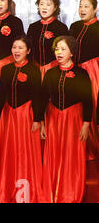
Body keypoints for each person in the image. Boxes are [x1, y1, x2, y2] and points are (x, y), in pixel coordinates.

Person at [40, 36, 92, 203]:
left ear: (72, 52)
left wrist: (86, 124)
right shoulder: (50, 73)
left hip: (74, 119)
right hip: (53, 119)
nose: (59, 52)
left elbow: (88, 101)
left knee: (72, 155)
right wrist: (41, 123)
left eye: (63, 49)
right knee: (53, 155)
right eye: (56, 49)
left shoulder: (81, 74)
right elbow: (42, 99)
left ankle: (70, 192)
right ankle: (52, 191)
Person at [0, 35, 45, 203]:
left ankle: (24, 193)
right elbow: (1, 95)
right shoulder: (6, 69)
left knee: (25, 152)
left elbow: (38, 96)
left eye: (21, 48)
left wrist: (37, 119)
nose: (16, 51)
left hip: (26, 115)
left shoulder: (33, 70)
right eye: (14, 47)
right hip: (9, 115)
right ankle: (8, 188)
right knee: (9, 152)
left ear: (28, 51)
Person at [69, 0, 99, 159]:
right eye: (81, 6)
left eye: (87, 6)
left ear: (95, 9)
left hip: (93, 70)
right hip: (74, 70)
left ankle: (93, 150)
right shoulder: (74, 26)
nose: (82, 9)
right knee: (75, 109)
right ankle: (78, 148)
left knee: (92, 106)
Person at [27, 0, 68, 79]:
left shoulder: (61, 28)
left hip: (54, 70)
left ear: (55, 7)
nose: (44, 7)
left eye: (48, 5)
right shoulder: (33, 27)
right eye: (41, 4)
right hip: (35, 70)